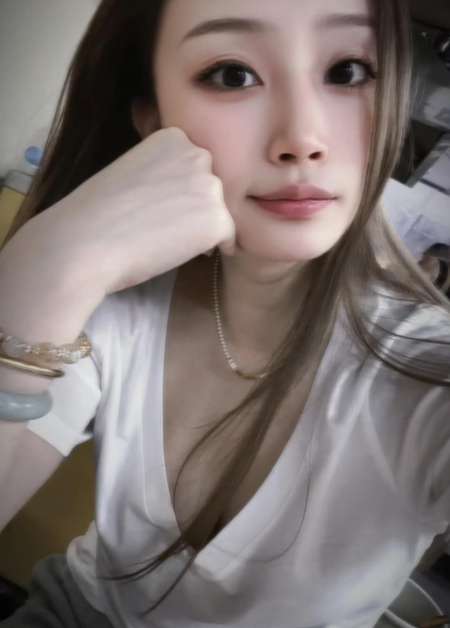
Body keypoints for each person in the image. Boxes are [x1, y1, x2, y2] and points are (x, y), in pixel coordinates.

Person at [0, 1, 449, 627]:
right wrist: (41, 275)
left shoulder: (427, 367)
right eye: (233, 75)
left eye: (347, 71)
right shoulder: (115, 298)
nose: (304, 139)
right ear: (152, 119)